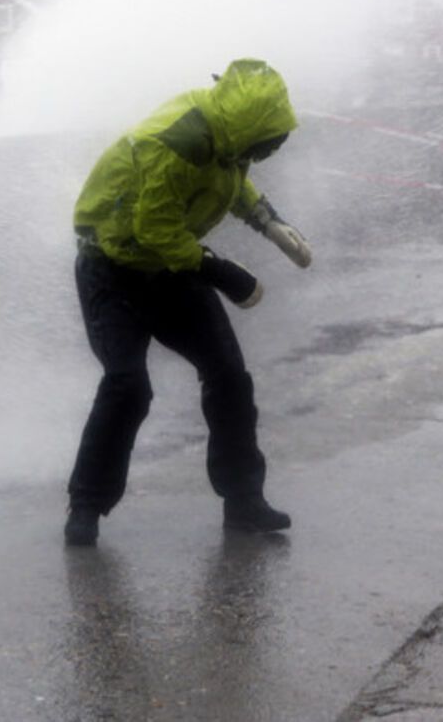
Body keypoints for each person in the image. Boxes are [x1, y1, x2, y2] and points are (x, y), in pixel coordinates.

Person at [65, 58, 312, 547]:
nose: (271, 150)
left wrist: (267, 221)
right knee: (127, 385)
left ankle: (244, 502)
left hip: (170, 268)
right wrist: (221, 272)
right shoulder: (174, 144)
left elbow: (228, 179)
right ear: (249, 127)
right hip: (113, 269)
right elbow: (151, 229)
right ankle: (86, 507)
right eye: (269, 140)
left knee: (229, 378)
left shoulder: (226, 136)